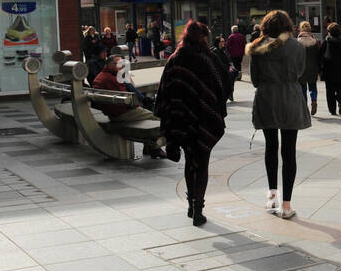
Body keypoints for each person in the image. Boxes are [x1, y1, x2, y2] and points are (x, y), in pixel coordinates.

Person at [155, 20, 227, 226]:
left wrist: (168, 117)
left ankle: (190, 204)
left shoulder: (175, 59)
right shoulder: (209, 59)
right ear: (204, 38)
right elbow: (222, 85)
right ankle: (198, 210)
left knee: (189, 161)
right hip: (203, 118)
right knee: (201, 163)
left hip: (181, 119)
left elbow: (164, 90)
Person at [248, 10, 310, 218]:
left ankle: (271, 198)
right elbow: (299, 72)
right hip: (290, 99)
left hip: (267, 100)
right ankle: (286, 206)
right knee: (289, 152)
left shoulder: (258, 48)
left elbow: (255, 80)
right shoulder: (297, 46)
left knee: (271, 148)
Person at [92, 55, 167, 158]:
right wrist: (138, 105)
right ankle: (155, 148)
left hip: (115, 112)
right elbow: (127, 99)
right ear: (109, 65)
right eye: (119, 64)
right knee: (157, 117)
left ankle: (150, 147)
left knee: (149, 112)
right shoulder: (111, 79)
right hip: (122, 113)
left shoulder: (104, 76)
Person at [319, 23, 341, 116]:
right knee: (340, 87)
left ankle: (332, 110)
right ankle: (340, 100)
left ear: (329, 32)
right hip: (340, 69)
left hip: (328, 69)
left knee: (330, 91)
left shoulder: (326, 42)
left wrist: (321, 66)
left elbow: (320, 55)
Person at [296, 21, 321, 115]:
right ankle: (314, 100)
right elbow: (318, 57)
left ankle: (304, 106)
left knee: (302, 89)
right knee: (313, 87)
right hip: (312, 69)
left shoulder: (297, 43)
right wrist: (319, 70)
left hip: (301, 70)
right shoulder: (315, 42)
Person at [211, 35, 236, 102]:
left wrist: (230, 66)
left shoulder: (222, 50)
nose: (224, 43)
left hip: (225, 68)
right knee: (231, 75)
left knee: (235, 72)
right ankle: (229, 91)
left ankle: (230, 91)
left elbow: (227, 60)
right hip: (220, 70)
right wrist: (228, 68)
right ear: (218, 43)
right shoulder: (215, 51)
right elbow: (219, 63)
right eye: (222, 41)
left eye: (224, 41)